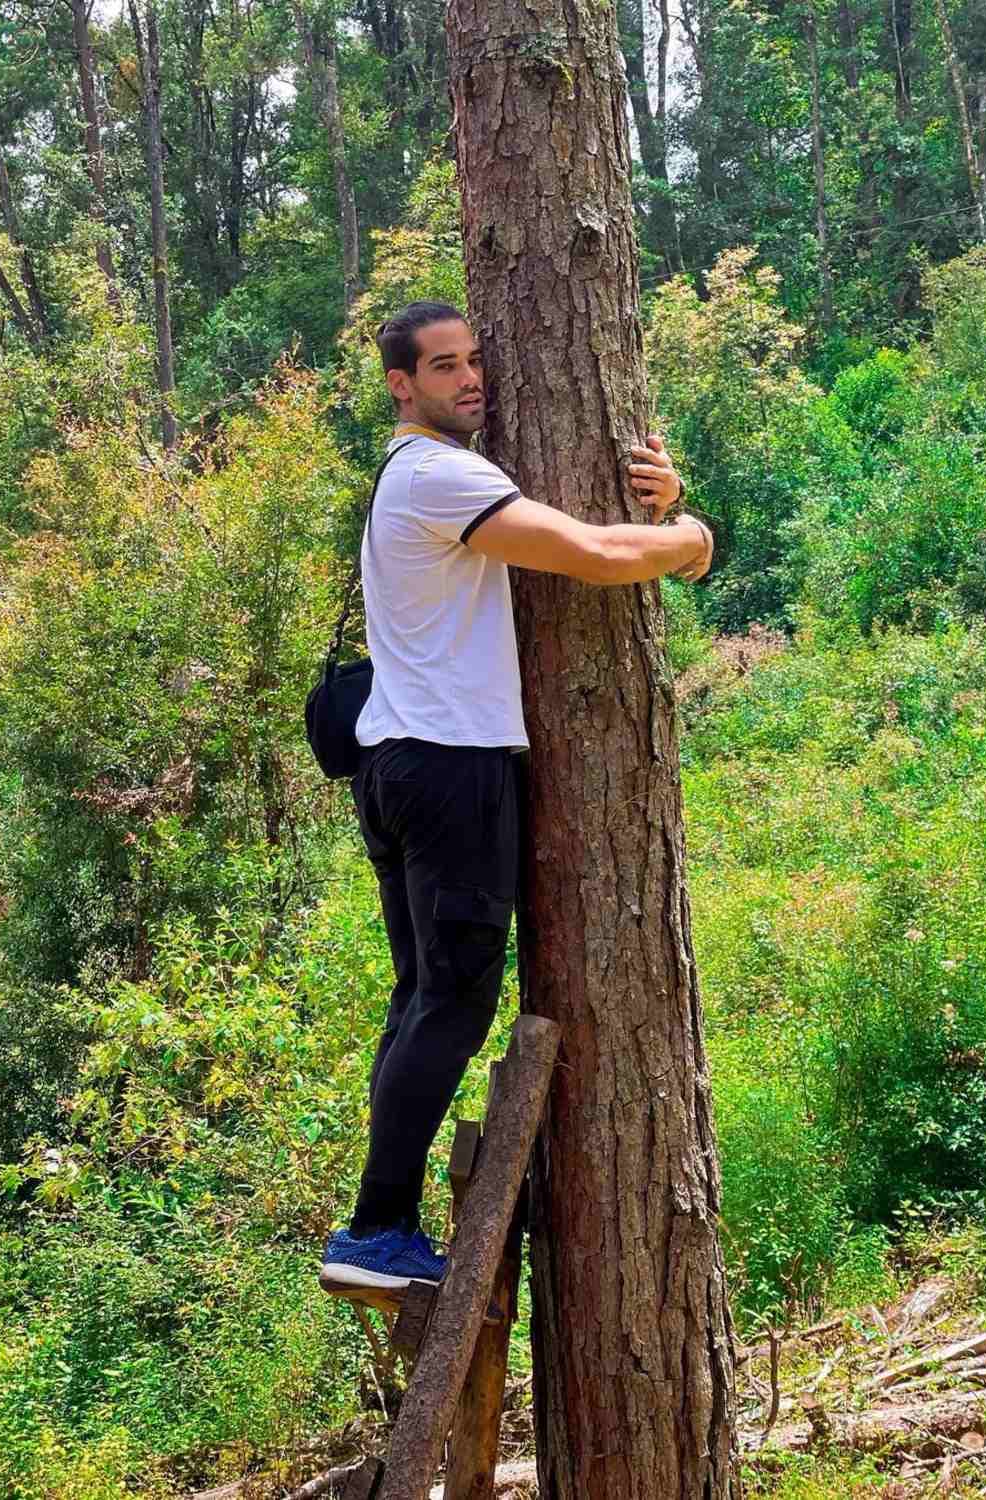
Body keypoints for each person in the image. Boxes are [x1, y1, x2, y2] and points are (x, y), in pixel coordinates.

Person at [320, 300, 712, 1293]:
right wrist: (693, 537)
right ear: (400, 386)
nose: (469, 379)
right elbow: (594, 556)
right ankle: (375, 1231)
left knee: (423, 998)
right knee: (454, 1001)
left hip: (400, 760)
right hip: (449, 765)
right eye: (442, 366)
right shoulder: (441, 475)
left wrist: (659, 505)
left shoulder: (417, 475)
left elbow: (594, 530)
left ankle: (378, 1226)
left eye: (473, 361)